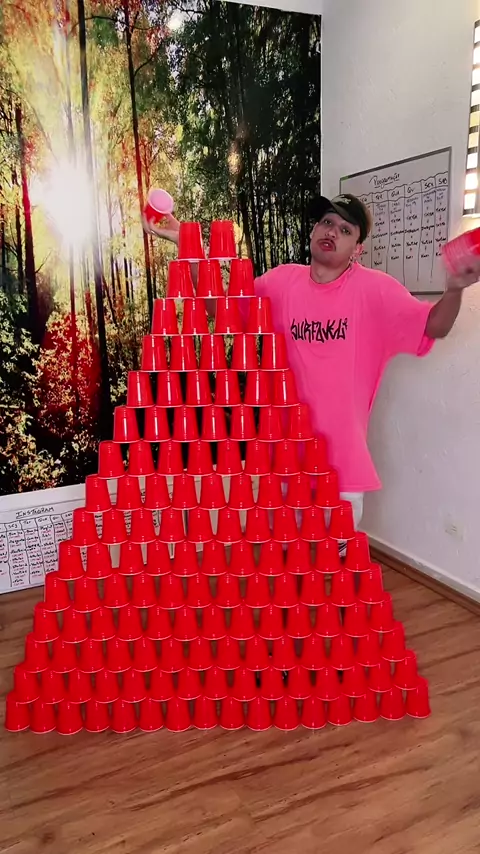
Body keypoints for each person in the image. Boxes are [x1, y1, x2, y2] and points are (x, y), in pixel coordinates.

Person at [143, 194, 480, 529]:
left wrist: (454, 289)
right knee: (285, 556)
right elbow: (220, 308)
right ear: (314, 230)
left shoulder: (375, 291)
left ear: (358, 249)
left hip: (342, 466)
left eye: (345, 230)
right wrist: (185, 243)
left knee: (335, 559)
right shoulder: (280, 282)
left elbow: (434, 326)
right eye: (326, 222)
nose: (332, 231)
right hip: (285, 459)